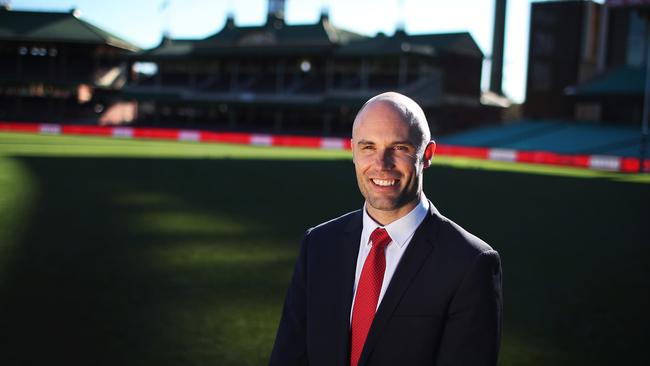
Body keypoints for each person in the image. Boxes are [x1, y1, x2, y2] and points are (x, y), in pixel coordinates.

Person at [269, 92, 502, 366]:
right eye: (368, 147)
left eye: (399, 148)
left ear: (427, 155)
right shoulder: (319, 244)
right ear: (353, 150)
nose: (381, 164)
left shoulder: (469, 262)